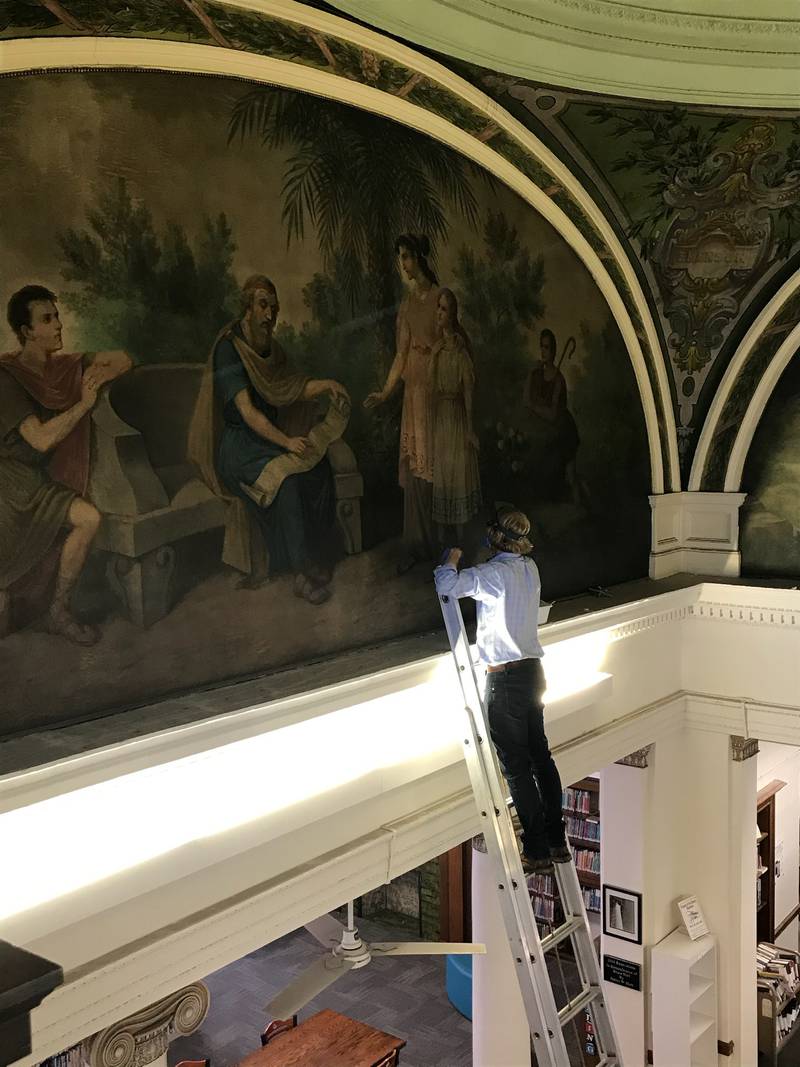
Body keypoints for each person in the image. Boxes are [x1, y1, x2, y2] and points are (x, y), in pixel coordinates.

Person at [189, 274, 349, 605]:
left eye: (274, 308)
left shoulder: (270, 350)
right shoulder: (229, 350)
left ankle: (316, 555)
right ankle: (300, 573)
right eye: (263, 306)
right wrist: (287, 442)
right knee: (287, 483)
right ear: (246, 309)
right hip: (240, 448)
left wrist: (328, 385)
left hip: (268, 442)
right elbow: (248, 413)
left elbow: (290, 389)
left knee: (318, 471)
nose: (269, 315)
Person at [433, 504, 569, 874]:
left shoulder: (492, 574)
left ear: (494, 537)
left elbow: (446, 585)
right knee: (541, 758)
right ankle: (557, 842)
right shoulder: (530, 568)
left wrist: (452, 559)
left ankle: (537, 849)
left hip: (505, 680)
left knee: (517, 768)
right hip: (532, 673)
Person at [0, 284, 131, 644]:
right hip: (7, 489)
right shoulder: (6, 378)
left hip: (35, 483)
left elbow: (122, 358)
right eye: (47, 319)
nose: (58, 325)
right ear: (27, 332)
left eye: (56, 316)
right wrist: (85, 404)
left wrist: (103, 375)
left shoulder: (61, 368)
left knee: (88, 518)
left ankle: (58, 611)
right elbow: (41, 439)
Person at [364, 234, 440, 573]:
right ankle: (416, 545)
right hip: (413, 394)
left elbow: (453, 345)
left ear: (421, 257)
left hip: (437, 390)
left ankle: (440, 545)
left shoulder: (441, 298)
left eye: (407, 256)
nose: (404, 264)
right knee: (415, 468)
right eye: (400, 258)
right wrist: (384, 391)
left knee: (436, 465)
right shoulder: (407, 307)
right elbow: (400, 355)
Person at [428, 289, 481, 544]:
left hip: (457, 419)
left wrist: (470, 429)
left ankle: (461, 546)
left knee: (457, 475)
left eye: (444, 309)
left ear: (452, 315)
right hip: (441, 419)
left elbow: (469, 392)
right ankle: (440, 549)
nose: (439, 313)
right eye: (438, 307)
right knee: (442, 476)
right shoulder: (436, 351)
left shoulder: (460, 352)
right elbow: (429, 390)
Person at [524, 328, 581, 503]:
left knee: (556, 454)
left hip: (560, 427)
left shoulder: (558, 380)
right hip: (540, 424)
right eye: (541, 347)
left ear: (554, 351)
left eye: (547, 347)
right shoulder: (536, 374)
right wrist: (529, 375)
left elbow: (552, 414)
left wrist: (534, 407)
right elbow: (526, 399)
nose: (543, 351)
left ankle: (571, 490)